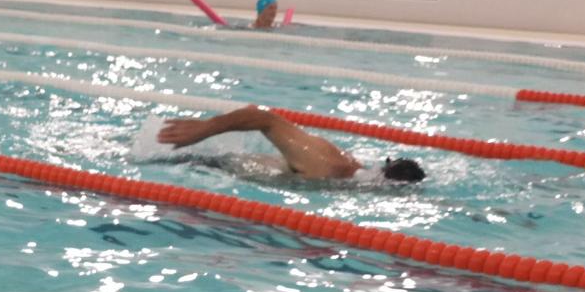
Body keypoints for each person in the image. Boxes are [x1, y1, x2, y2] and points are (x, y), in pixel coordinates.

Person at [155, 107, 425, 184]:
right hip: (199, 162)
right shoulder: (326, 163)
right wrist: (204, 129)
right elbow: (264, 118)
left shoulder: (346, 172)